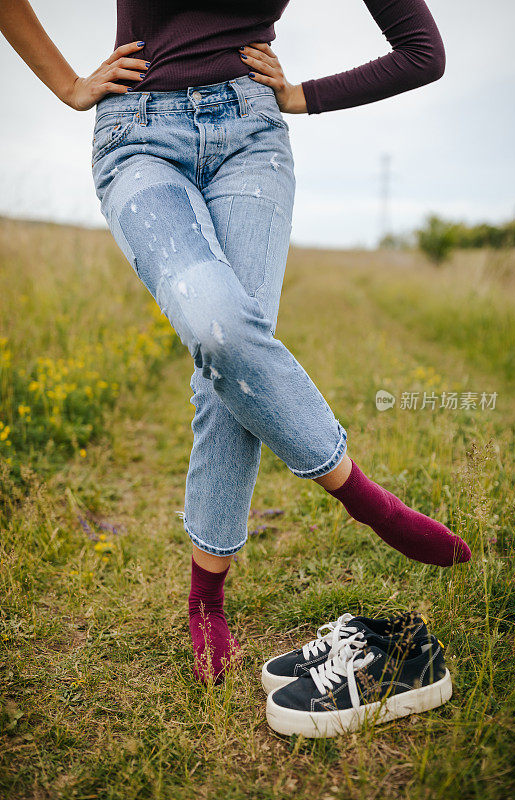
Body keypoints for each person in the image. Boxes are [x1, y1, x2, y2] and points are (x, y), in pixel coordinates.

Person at [1, 0, 471, 685]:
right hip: (137, 134)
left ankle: (206, 596)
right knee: (216, 323)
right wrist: (69, 85)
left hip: (250, 139)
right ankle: (366, 500)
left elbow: (421, 52)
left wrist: (303, 96)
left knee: (230, 363)